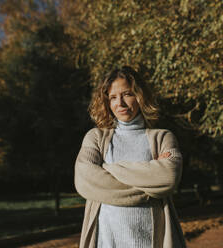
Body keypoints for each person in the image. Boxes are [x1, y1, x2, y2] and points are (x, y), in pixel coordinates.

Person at [74, 66, 186, 248]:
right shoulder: (96, 138)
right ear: (107, 102)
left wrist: (109, 169)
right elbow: (84, 180)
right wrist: (150, 181)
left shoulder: (162, 137)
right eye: (113, 97)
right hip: (107, 241)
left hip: (151, 240)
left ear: (140, 96)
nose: (120, 103)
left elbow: (168, 178)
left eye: (127, 94)